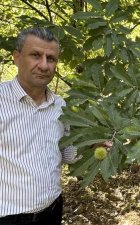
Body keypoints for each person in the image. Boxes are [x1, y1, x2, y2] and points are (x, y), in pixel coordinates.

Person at [0, 27, 79, 225]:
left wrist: (93, 144)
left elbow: (67, 154)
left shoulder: (60, 105)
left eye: (51, 58)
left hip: (52, 210)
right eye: (35, 55)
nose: (44, 65)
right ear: (17, 58)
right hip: (8, 217)